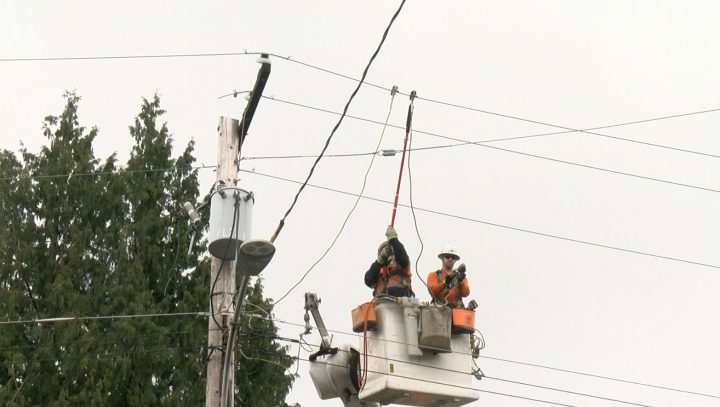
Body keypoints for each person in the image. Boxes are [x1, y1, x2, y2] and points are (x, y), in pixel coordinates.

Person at [364, 225, 414, 298]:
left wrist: (393, 239)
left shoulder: (401, 263)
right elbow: (368, 280)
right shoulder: (377, 270)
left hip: (400, 303)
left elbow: (402, 259)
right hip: (381, 305)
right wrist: (381, 259)